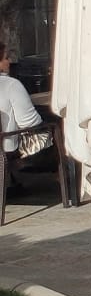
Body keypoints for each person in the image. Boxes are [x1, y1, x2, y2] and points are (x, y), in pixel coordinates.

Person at [0, 42, 54, 188]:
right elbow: (30, 123)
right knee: (50, 132)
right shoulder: (11, 85)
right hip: (6, 148)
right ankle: (63, 180)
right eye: (5, 57)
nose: (9, 61)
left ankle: (11, 178)